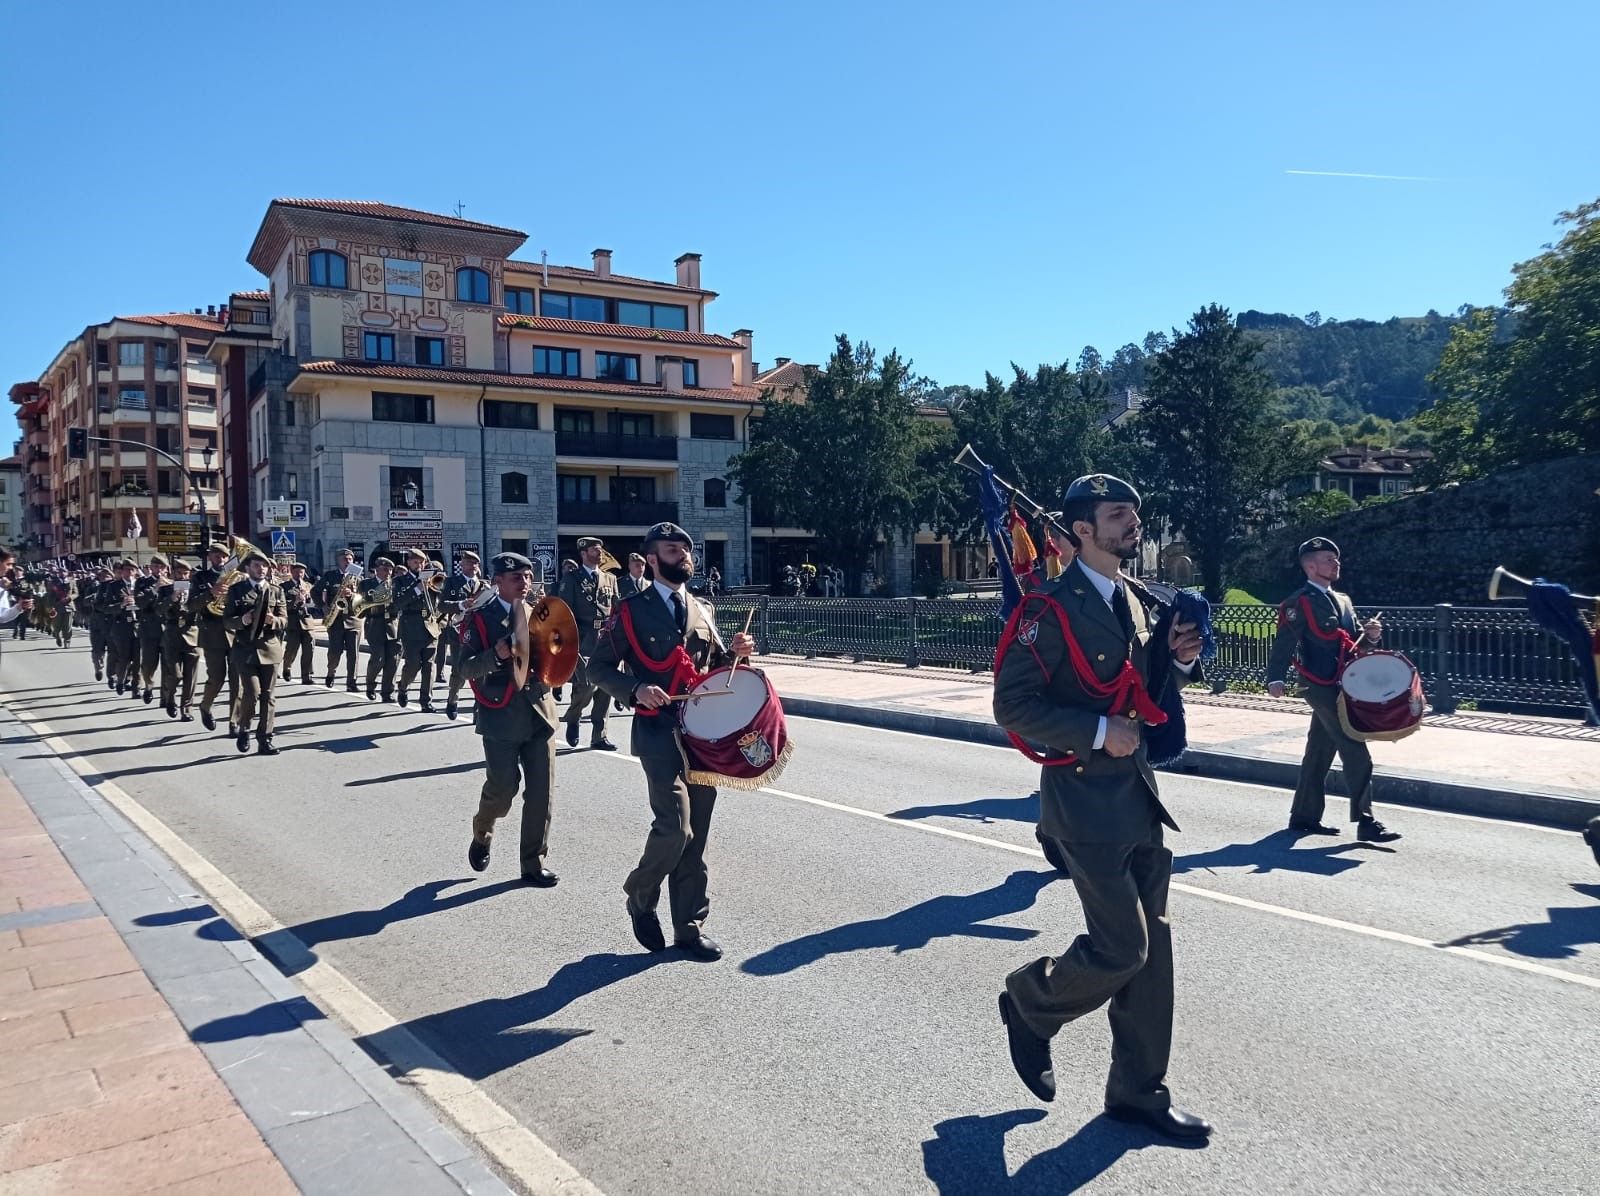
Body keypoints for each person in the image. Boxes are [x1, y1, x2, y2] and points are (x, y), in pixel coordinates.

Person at [991, 473, 1210, 1142]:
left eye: (1135, 515)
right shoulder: (1046, 609)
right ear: (1082, 529)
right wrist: (1095, 732)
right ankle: (1032, 1000)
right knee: (1122, 950)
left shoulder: (1140, 601)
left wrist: (1181, 661)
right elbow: (1015, 707)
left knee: (1154, 955)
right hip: (1083, 801)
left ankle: (1138, 1091)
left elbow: (1144, 688)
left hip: (1138, 797)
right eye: (1118, 516)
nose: (1132, 525)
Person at [587, 522, 756, 962]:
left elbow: (717, 669)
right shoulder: (630, 610)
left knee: (696, 838)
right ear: (653, 558)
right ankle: (639, 896)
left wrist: (736, 654)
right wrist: (635, 688)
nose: (682, 554)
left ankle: (690, 927)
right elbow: (598, 669)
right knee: (675, 829)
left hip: (703, 736)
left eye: (685, 548)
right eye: (671, 549)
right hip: (658, 731)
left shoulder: (703, 609)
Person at [1266, 537, 1399, 843]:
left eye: (1336, 559)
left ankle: (1303, 816)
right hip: (1317, 685)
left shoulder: (1344, 601)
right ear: (1310, 566)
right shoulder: (1297, 603)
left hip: (1344, 685)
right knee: (1355, 748)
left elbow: (1351, 647)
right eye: (1328, 559)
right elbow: (1284, 643)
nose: (1335, 563)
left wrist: (1371, 638)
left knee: (1319, 751)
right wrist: (1275, 677)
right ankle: (1366, 822)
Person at [457, 552, 560, 887]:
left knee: (541, 793)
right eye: (517, 577)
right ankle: (483, 831)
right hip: (501, 714)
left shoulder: (540, 614)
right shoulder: (481, 618)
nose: (525, 583)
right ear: (498, 581)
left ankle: (532, 864)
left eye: (528, 576)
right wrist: (495, 655)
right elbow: (463, 668)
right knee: (503, 788)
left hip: (539, 712)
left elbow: (559, 654)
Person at [557, 536, 619, 750]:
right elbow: (565, 612)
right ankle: (573, 717)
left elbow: (616, 609)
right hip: (582, 639)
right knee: (585, 684)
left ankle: (599, 735)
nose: (599, 553)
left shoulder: (610, 579)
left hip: (606, 639)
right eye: (594, 549)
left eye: (600, 549)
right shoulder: (571, 579)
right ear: (583, 554)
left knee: (606, 688)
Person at [224, 554, 287, 755]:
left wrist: (273, 621)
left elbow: (284, 620)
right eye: (257, 565)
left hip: (270, 648)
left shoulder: (276, 591)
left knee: (268, 696)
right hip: (245, 649)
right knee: (251, 693)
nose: (261, 569)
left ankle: (265, 738)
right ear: (248, 568)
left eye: (265, 566)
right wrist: (242, 619)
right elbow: (227, 621)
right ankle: (244, 728)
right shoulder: (236, 590)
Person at [190, 543, 237, 734]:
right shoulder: (200, 578)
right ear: (210, 558)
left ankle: (235, 722)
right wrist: (210, 593)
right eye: (216, 556)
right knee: (216, 678)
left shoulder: (238, 578)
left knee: (238, 681)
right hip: (212, 634)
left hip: (236, 634)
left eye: (223, 556)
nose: (220, 559)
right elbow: (191, 605)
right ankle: (206, 705)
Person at [438, 550, 487, 721]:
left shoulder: (484, 586)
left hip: (478, 633)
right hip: (458, 632)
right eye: (469, 563)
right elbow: (442, 606)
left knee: (480, 670)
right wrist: (460, 604)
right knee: (459, 670)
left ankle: (478, 708)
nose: (473, 566)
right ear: (462, 565)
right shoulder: (452, 582)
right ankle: (452, 699)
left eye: (475, 564)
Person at [393, 549, 443, 712]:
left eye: (421, 562)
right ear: (409, 563)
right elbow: (397, 603)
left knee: (429, 666)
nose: (419, 565)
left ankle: (425, 701)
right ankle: (403, 686)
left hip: (430, 627)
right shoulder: (401, 581)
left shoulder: (431, 579)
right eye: (415, 562)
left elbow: (441, 597)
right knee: (413, 665)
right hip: (411, 627)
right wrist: (416, 590)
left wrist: (434, 583)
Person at [159, 560, 200, 720]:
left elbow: (202, 604)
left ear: (189, 575)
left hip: (192, 634)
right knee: (175, 675)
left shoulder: (195, 590)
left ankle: (187, 709)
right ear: (173, 574)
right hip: (172, 635)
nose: (182, 576)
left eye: (185, 573)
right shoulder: (165, 590)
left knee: (191, 677)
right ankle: (170, 699)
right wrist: (172, 598)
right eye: (179, 573)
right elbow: (159, 609)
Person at [317, 549, 361, 693]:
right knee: (335, 651)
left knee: (353, 653)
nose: (347, 561)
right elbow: (314, 591)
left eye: (350, 559)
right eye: (344, 559)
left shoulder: (358, 578)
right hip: (335, 620)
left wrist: (353, 594)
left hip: (353, 619)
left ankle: (352, 681)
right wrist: (323, 607)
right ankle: (331, 673)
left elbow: (364, 597)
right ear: (338, 561)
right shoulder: (330, 576)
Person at [360, 557, 401, 702]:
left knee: (393, 660)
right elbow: (360, 604)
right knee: (378, 659)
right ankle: (370, 685)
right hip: (374, 624)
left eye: (390, 570)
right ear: (377, 570)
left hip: (393, 625)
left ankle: (388, 692)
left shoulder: (396, 584)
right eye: (385, 569)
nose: (388, 573)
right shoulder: (366, 584)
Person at [101, 560, 141, 696]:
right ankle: (120, 681)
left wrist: (139, 603)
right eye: (126, 570)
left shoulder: (141, 585)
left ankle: (136, 688)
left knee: (138, 659)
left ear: (136, 572)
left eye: (132, 570)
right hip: (121, 626)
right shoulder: (113, 586)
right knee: (124, 657)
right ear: (122, 571)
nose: (129, 573)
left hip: (139, 625)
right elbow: (106, 608)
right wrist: (121, 604)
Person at [134, 556, 168, 704]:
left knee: (169, 667)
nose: (159, 570)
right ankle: (148, 685)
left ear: (166, 569)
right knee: (148, 664)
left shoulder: (172, 583)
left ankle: (166, 697)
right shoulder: (142, 583)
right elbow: (140, 602)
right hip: (149, 629)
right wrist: (155, 588)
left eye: (162, 567)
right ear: (151, 567)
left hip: (168, 630)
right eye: (156, 567)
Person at [280, 561, 316, 684]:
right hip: (292, 621)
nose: (299, 574)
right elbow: (281, 605)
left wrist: (308, 599)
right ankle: (287, 668)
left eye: (301, 572)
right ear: (291, 572)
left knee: (309, 649)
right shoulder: (284, 586)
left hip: (307, 620)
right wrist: (295, 601)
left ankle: (307, 676)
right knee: (291, 649)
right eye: (296, 572)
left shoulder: (308, 586)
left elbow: (314, 605)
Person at [85, 566, 112, 680]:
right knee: (97, 649)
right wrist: (93, 597)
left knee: (113, 651)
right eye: (102, 576)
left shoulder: (115, 587)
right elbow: (85, 600)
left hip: (111, 624)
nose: (105, 578)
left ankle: (112, 674)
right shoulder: (94, 587)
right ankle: (98, 668)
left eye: (107, 576)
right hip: (97, 623)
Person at [47, 571, 76, 647]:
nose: (62, 573)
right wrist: (50, 606)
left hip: (69, 606)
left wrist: (69, 598)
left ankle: (67, 640)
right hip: (57, 606)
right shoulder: (53, 583)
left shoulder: (72, 581)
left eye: (64, 572)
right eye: (60, 572)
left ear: (67, 572)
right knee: (57, 625)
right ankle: (57, 637)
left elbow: (76, 593)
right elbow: (50, 596)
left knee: (68, 626)